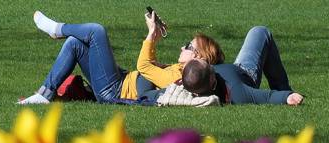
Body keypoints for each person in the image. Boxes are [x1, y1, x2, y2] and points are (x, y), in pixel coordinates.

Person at [19, 11, 224, 104]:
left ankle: (56, 29)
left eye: (188, 45)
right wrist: (154, 38)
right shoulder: (178, 72)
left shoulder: (180, 78)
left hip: (114, 91)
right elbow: (151, 70)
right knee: (75, 43)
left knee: (96, 31)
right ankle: (44, 94)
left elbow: (144, 67)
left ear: (198, 55)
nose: (182, 46)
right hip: (120, 80)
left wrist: (150, 35)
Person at [183, 26, 304, 106]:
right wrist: (287, 96)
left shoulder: (187, 80)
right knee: (260, 32)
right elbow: (265, 97)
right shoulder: (235, 90)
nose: (182, 48)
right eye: (189, 46)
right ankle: (282, 87)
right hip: (246, 72)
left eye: (187, 46)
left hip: (235, 73)